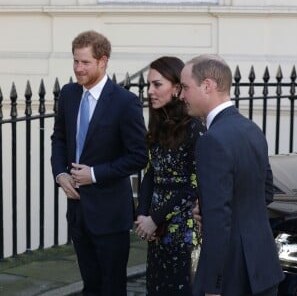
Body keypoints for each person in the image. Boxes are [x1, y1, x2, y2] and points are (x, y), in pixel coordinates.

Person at [50, 30, 148, 296]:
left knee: (112, 288)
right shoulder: (69, 94)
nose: (78, 68)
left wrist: (94, 174)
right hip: (78, 212)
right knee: (90, 287)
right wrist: (60, 174)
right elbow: (59, 139)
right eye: (75, 61)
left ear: (103, 61)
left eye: (85, 62)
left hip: (111, 215)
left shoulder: (125, 102)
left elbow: (139, 156)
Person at [180, 54, 284, 296]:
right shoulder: (252, 129)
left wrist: (213, 286)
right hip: (264, 268)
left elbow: (218, 220)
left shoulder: (212, 140)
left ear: (207, 86)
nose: (181, 95)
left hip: (231, 277)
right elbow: (265, 193)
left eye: (185, 87)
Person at [135, 56, 206, 296]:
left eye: (157, 85)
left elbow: (192, 185)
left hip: (182, 234)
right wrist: (143, 215)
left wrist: (154, 218)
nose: (150, 92)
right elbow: (151, 172)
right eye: (148, 85)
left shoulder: (194, 128)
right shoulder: (158, 124)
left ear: (176, 88)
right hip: (157, 232)